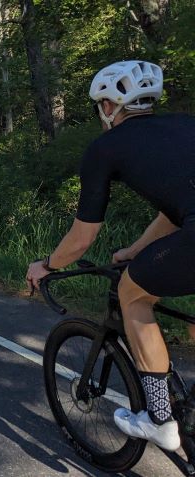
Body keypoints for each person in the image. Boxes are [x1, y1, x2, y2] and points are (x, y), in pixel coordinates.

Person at [25, 60, 195, 452]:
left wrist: (47, 265)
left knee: (133, 294)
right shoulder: (185, 125)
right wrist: (133, 251)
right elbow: (173, 213)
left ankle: (159, 420)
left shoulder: (106, 148)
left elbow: (82, 238)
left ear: (108, 106)